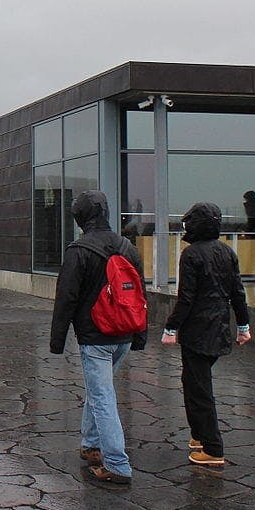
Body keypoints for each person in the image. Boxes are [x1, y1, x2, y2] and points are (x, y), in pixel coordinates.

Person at [49, 190, 145, 487]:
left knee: (103, 396)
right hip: (124, 334)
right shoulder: (127, 246)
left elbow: (66, 298)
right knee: (98, 389)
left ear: (80, 216)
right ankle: (91, 444)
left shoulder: (78, 250)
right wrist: (140, 334)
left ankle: (116, 463)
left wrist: (57, 341)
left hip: (95, 337)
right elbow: (140, 294)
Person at [160, 202, 252, 467]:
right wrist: (243, 326)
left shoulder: (191, 255)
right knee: (196, 384)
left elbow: (186, 298)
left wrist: (171, 328)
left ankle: (212, 447)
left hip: (197, 331)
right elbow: (238, 292)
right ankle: (199, 436)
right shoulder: (227, 252)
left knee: (199, 390)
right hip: (219, 328)